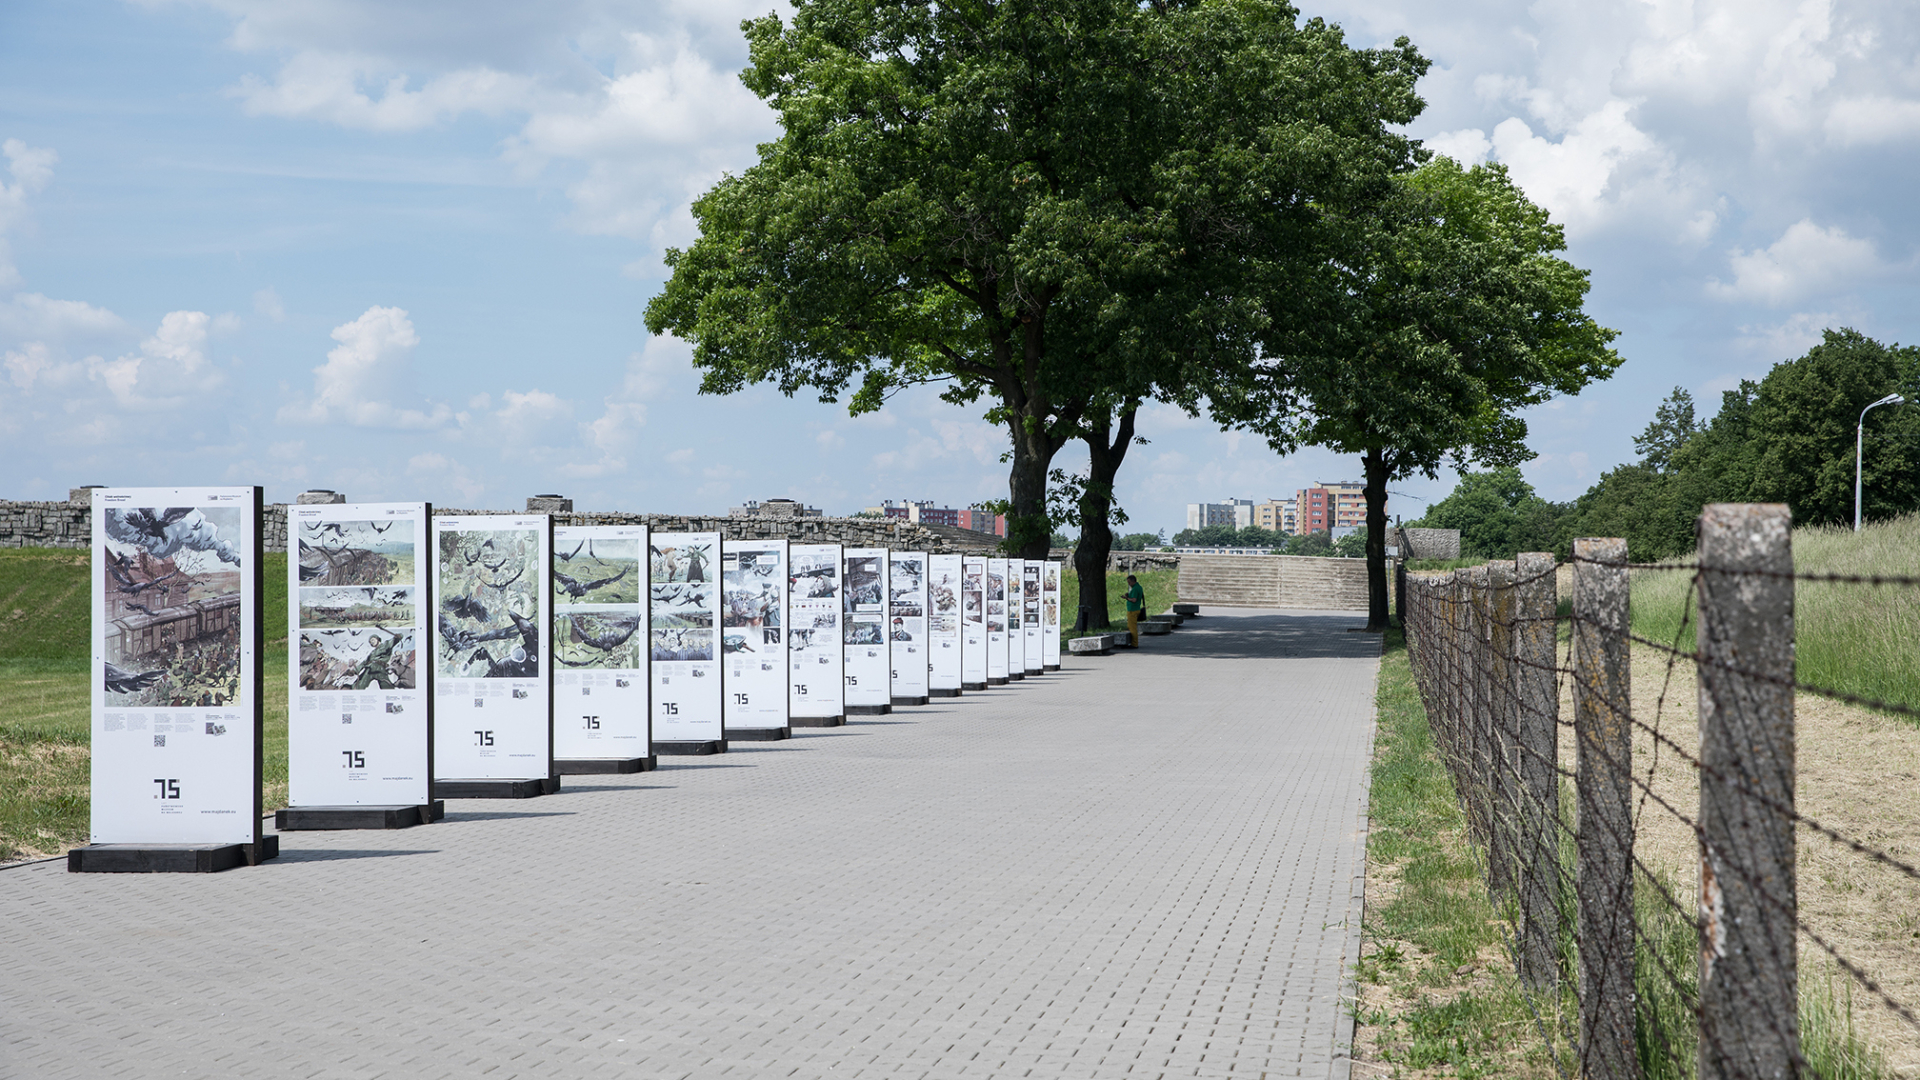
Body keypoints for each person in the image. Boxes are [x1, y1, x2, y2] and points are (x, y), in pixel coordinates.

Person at [1123, 574, 1145, 647]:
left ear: (1133, 581)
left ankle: (1134, 644)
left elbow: (1134, 600)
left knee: (1132, 628)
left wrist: (1126, 598)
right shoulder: (1139, 587)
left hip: (1132, 610)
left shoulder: (1135, 589)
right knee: (1132, 626)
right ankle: (1134, 642)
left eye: (1129, 582)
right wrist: (1128, 595)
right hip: (1136, 609)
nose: (1128, 584)